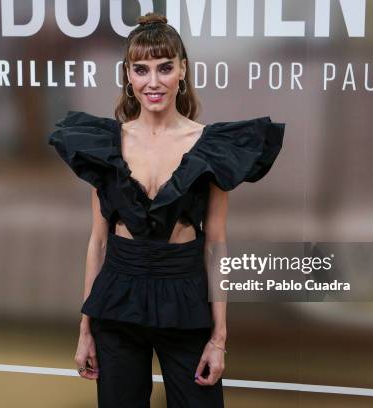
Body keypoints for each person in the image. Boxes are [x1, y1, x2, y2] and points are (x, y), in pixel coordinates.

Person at [48, 12, 285, 408]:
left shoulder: (211, 145)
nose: (153, 82)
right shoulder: (103, 143)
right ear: (128, 75)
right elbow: (97, 242)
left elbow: (217, 247)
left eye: (164, 68)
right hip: (118, 297)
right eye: (141, 70)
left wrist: (218, 340)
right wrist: (85, 328)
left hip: (185, 296)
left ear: (182, 70)